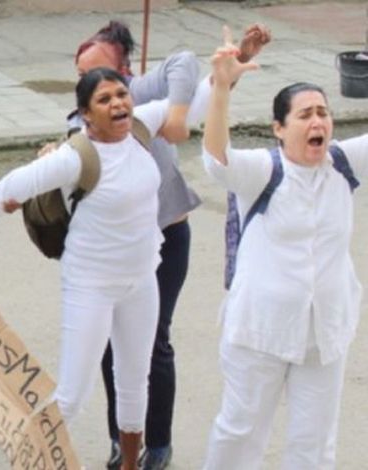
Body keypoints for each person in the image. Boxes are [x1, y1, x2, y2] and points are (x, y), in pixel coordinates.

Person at [0, 50, 227, 467]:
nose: (118, 104)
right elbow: (13, 186)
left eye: (121, 94)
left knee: (133, 383)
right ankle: (29, 458)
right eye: (104, 100)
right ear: (86, 116)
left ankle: (129, 464)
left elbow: (201, 95)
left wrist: (232, 66)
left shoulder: (145, 125)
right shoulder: (76, 156)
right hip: (90, 284)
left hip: (141, 280)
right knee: (72, 395)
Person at [72, 21, 271, 469]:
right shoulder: (83, 117)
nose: (89, 85)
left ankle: (157, 444)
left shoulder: (142, 100)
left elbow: (192, 71)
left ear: (126, 75)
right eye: (81, 75)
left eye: (100, 73)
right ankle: (120, 441)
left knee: (152, 340)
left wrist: (230, 63)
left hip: (167, 238)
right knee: (109, 343)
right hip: (115, 248)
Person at [201, 28, 368, 470]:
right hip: (261, 332)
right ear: (279, 128)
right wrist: (221, 87)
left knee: (314, 446)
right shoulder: (262, 171)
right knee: (240, 435)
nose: (318, 122)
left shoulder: (344, 163)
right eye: (305, 115)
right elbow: (216, 157)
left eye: (323, 113)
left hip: (325, 334)